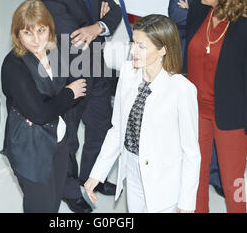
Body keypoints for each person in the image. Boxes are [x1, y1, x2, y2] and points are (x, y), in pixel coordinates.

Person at [168, 0, 247, 197]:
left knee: (233, 183)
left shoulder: (246, 20)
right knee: (195, 173)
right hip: (196, 98)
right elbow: (176, 14)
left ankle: (220, 176)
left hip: (227, 108)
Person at [38, 0, 122, 213]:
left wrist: (96, 25)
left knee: (100, 125)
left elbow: (114, 11)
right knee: (69, 137)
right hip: (70, 72)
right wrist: (92, 24)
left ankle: (91, 179)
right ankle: (70, 189)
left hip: (96, 66)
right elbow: (72, 39)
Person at [84, 14, 201, 213]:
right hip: (132, 172)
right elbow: (117, 129)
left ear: (163, 49)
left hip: (165, 185)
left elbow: (191, 152)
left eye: (142, 46)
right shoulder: (128, 72)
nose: (133, 51)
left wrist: (186, 202)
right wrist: (97, 173)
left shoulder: (182, 89)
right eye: (133, 43)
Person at [184, 0, 247, 213]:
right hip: (195, 112)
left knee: (233, 181)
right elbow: (187, 61)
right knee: (194, 174)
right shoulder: (198, 10)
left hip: (230, 118)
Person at [0, 0, 87, 213]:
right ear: (17, 34)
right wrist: (67, 94)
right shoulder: (14, 65)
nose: (36, 39)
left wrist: (59, 100)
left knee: (53, 202)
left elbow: (81, 87)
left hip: (59, 141)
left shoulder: (54, 52)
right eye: (28, 33)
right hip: (32, 149)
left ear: (50, 29)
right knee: (40, 207)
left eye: (41, 30)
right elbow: (40, 114)